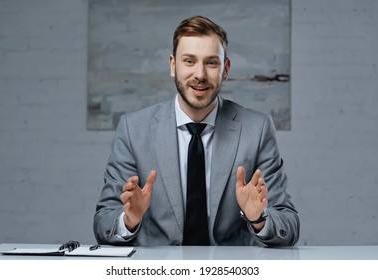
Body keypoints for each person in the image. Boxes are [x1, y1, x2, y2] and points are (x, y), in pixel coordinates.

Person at [93, 15, 299, 246]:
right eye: (189, 61)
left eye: (211, 62)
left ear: (225, 69)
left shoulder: (257, 129)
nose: (200, 74)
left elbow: (288, 225)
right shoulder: (133, 129)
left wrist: (259, 219)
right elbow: (104, 223)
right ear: (173, 65)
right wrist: (129, 220)